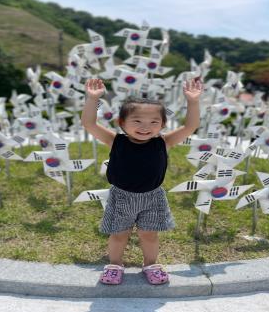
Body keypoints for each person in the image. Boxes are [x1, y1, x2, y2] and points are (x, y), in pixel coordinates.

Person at [82, 78, 202, 285]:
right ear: (122, 123)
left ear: (163, 125)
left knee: (149, 235)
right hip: (121, 196)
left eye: (154, 122)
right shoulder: (115, 140)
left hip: (152, 197)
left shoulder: (163, 142)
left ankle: (150, 264)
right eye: (137, 121)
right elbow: (89, 123)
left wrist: (192, 102)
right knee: (119, 235)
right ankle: (115, 265)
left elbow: (191, 126)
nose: (145, 127)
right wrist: (93, 99)